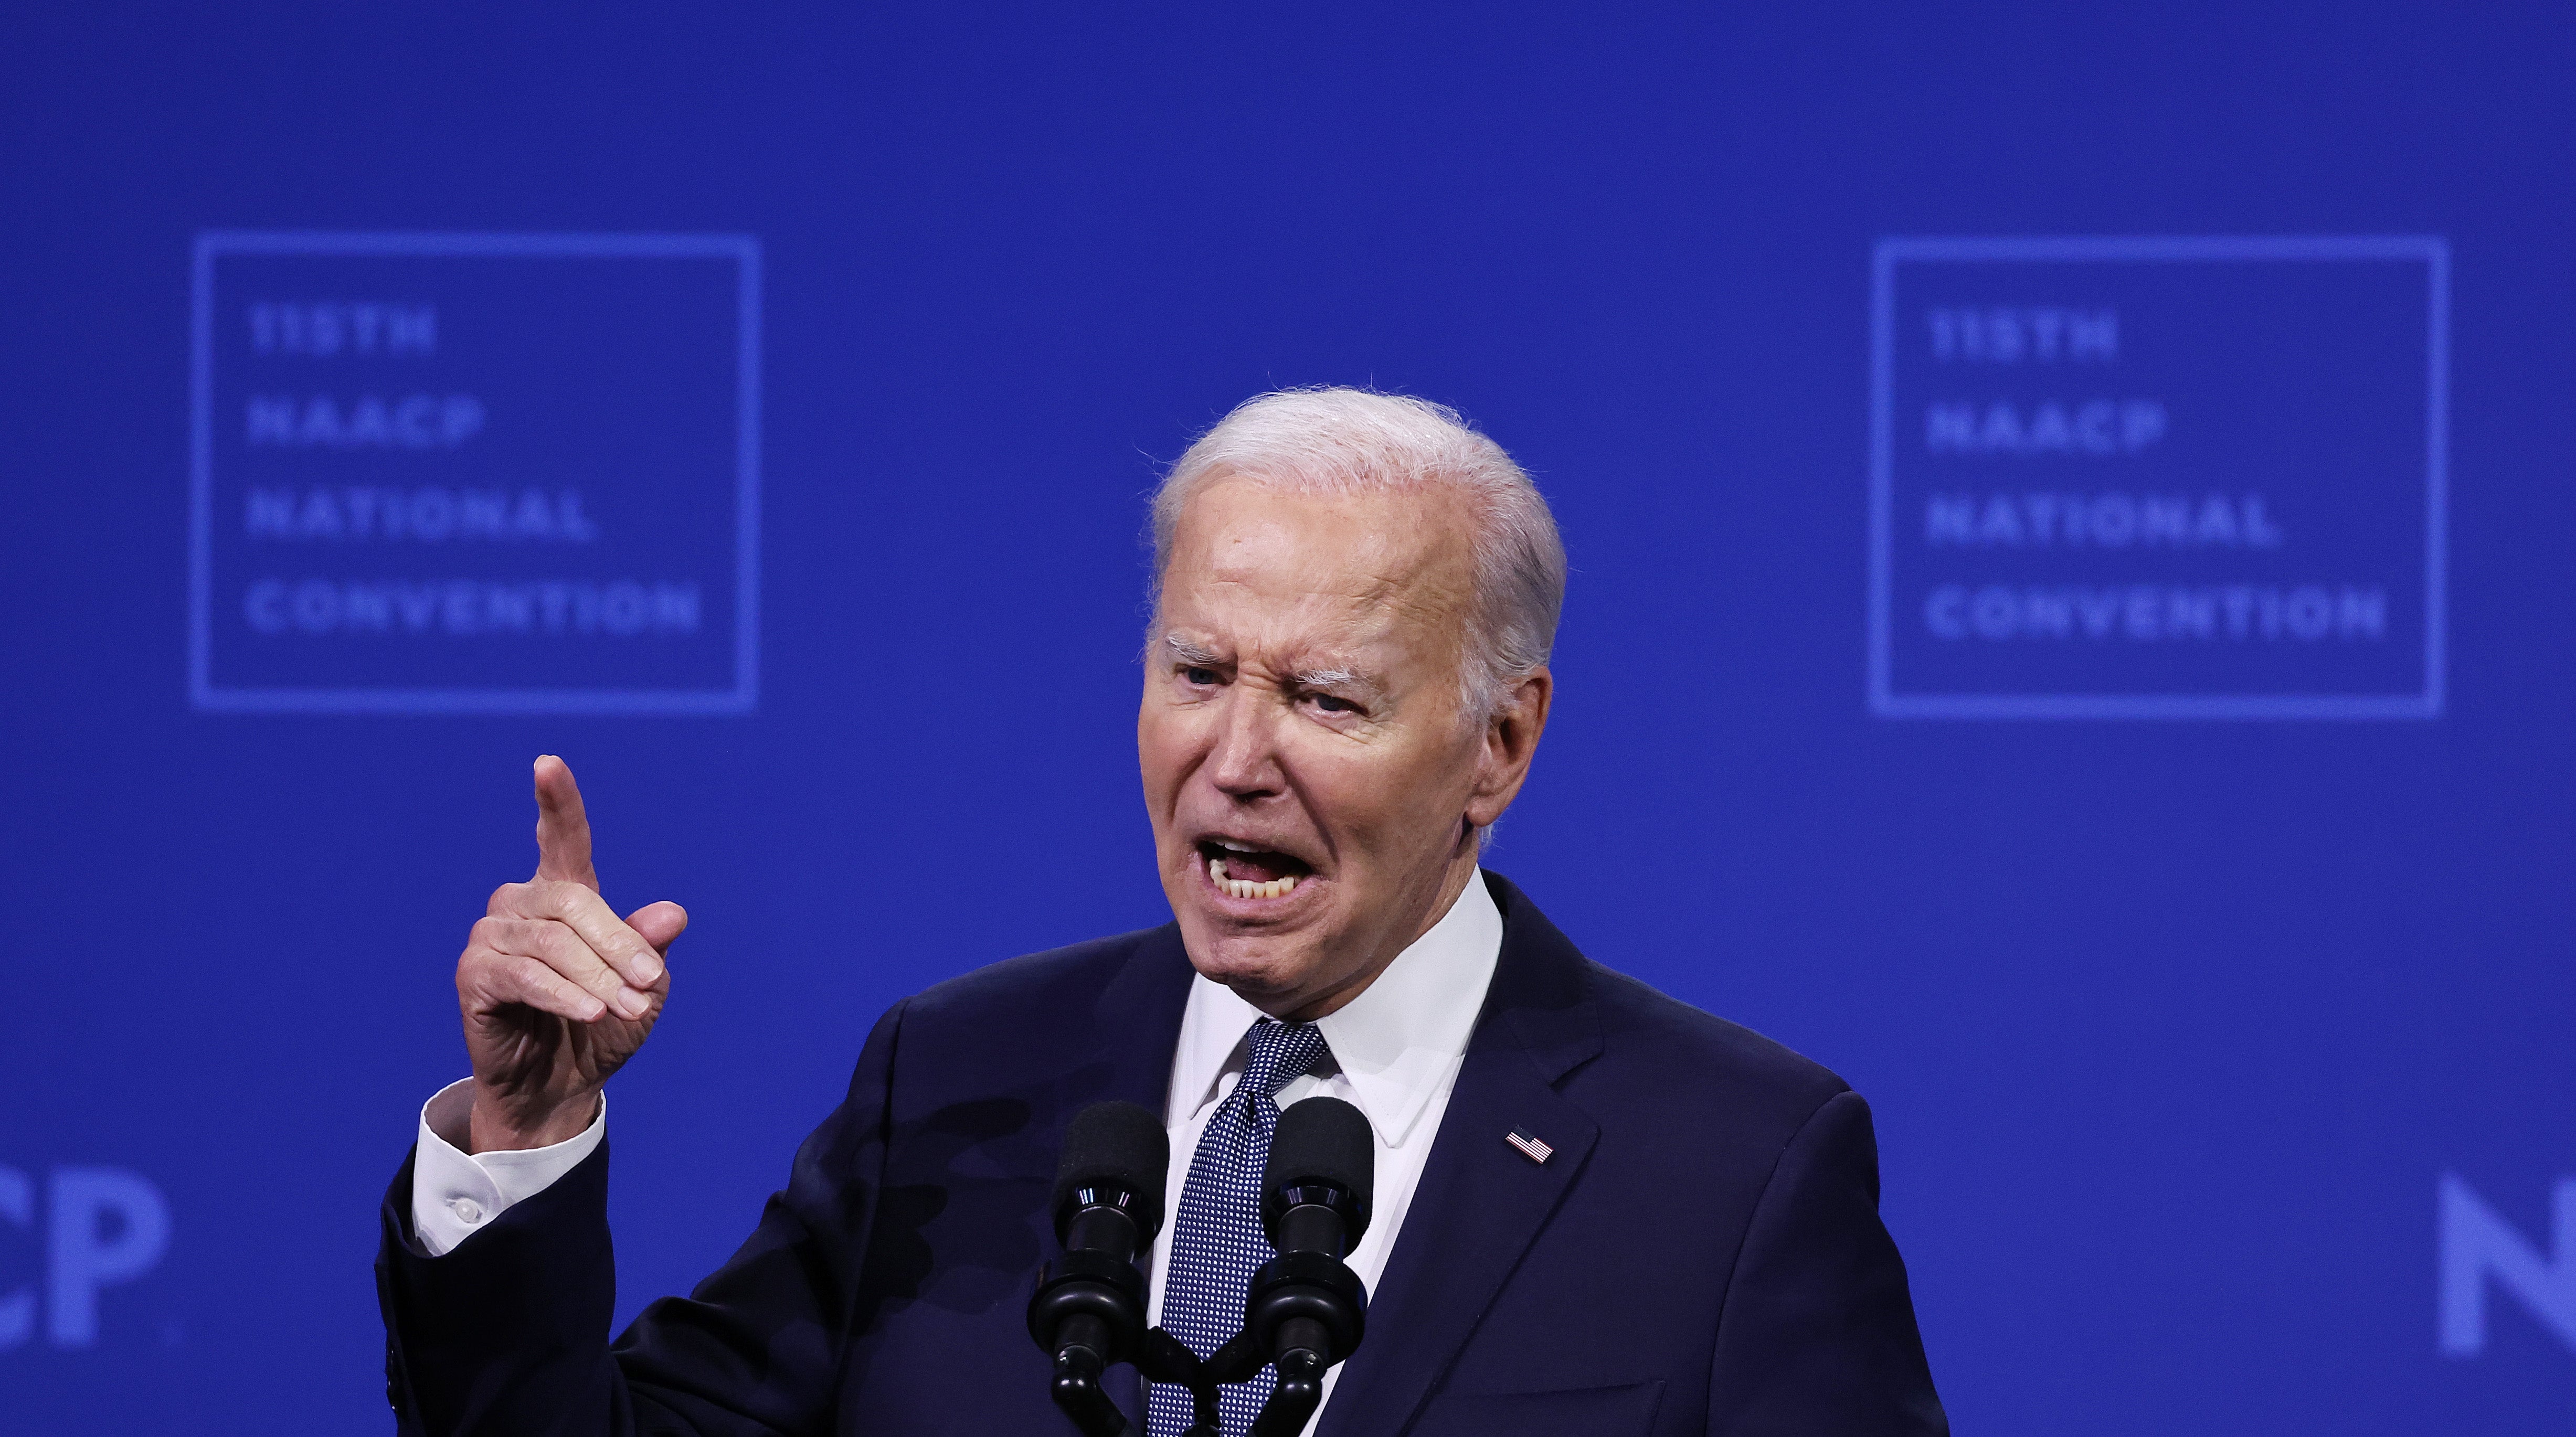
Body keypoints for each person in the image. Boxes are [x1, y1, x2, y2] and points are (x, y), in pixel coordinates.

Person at [377, 387, 1946, 1437]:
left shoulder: (1733, 1172)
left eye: (1327, 696)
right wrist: (523, 1137)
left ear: (1501, 743)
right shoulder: (956, 1081)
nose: (1235, 757)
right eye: (1198, 674)